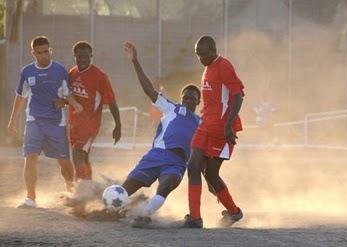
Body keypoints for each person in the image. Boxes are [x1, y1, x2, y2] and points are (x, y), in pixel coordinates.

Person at [122, 41, 201, 226]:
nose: (189, 99)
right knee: (125, 189)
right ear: (181, 98)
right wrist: (135, 61)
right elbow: (149, 90)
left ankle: (144, 215)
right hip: (156, 155)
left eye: (193, 97)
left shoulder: (201, 122)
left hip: (177, 162)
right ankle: (106, 208)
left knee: (165, 186)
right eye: (186, 96)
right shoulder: (171, 108)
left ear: (199, 100)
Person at [7, 35, 83, 208]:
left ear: (51, 51)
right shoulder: (26, 72)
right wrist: (13, 121)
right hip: (34, 121)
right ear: (33, 53)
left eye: (46, 51)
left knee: (64, 162)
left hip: (57, 124)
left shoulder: (60, 70)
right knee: (30, 158)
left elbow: (68, 93)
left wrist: (74, 103)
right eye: (39, 52)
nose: (44, 55)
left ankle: (71, 192)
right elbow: (20, 97)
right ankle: (31, 198)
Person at [183, 35, 245, 228]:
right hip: (205, 126)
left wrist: (228, 125)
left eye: (203, 54)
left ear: (213, 49)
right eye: (198, 55)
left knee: (211, 174)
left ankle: (234, 212)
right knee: (193, 167)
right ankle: (195, 218)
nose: (200, 58)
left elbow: (238, 96)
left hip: (221, 129)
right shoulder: (207, 68)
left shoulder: (224, 66)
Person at [67, 41, 121, 180]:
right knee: (83, 156)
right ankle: (88, 186)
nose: (83, 60)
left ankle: (80, 191)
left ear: (91, 56)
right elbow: (68, 96)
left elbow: (113, 102)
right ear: (75, 56)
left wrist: (118, 125)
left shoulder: (100, 76)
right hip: (74, 124)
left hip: (90, 125)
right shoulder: (71, 73)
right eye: (80, 57)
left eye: (86, 57)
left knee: (77, 154)